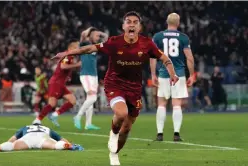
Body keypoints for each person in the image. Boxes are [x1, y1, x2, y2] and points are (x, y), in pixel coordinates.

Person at [53, 11, 178, 166]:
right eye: (128, 21)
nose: (132, 24)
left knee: (126, 129)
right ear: (123, 26)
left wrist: (172, 74)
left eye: (135, 22)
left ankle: (114, 155)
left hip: (134, 89)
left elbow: (165, 59)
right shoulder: (114, 42)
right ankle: (113, 134)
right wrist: (67, 53)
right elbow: (89, 48)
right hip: (115, 84)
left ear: (139, 27)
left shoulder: (147, 44)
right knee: (121, 112)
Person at [151, 13, 195, 141]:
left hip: (164, 74)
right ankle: (176, 133)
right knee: (177, 105)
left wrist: (153, 74)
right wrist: (191, 75)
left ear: (167, 21)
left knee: (161, 104)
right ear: (178, 23)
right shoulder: (183, 38)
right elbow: (189, 57)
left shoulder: (158, 36)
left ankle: (160, 134)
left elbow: (153, 57)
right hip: (179, 75)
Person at [32, 40, 81, 127]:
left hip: (60, 84)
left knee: (72, 100)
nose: (79, 49)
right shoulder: (67, 55)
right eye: (77, 47)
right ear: (71, 48)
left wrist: (68, 75)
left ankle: (54, 115)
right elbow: (63, 66)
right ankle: (37, 120)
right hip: (56, 83)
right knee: (52, 104)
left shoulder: (71, 57)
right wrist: (77, 65)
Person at [73, 27, 108, 130]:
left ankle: (88, 124)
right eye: (96, 36)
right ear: (91, 36)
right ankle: (77, 116)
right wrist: (91, 31)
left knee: (90, 99)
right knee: (93, 98)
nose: (98, 37)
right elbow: (83, 34)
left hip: (94, 75)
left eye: (98, 36)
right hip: (86, 74)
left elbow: (106, 38)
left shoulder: (96, 46)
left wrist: (99, 32)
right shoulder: (84, 44)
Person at [0, 124, 83, 152]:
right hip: (43, 137)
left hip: (27, 138)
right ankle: (68, 147)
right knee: (54, 145)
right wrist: (68, 143)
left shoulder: (26, 127)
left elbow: (12, 139)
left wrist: (4, 144)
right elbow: (61, 138)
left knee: (12, 146)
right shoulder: (47, 128)